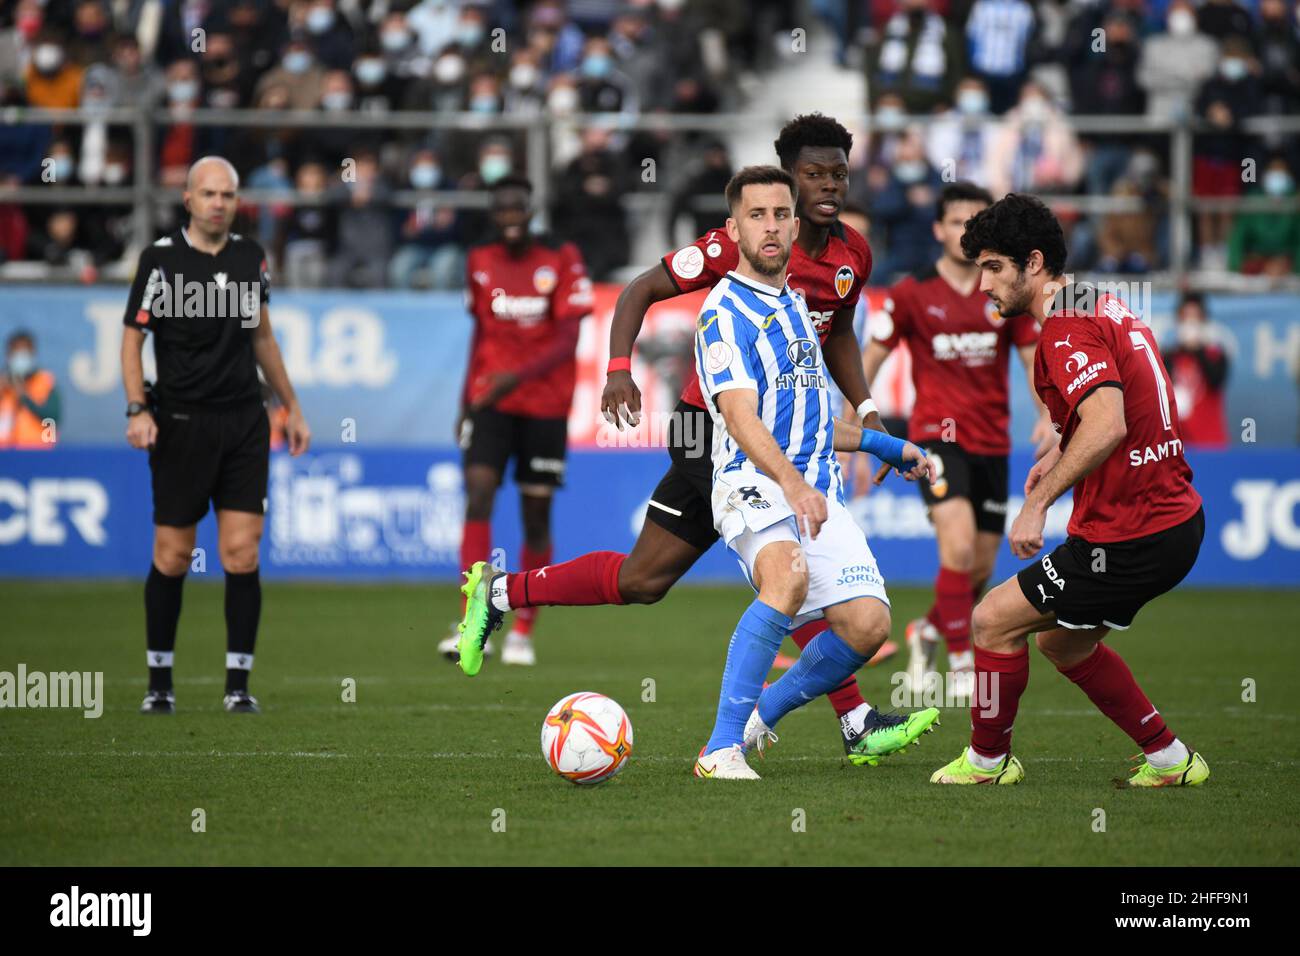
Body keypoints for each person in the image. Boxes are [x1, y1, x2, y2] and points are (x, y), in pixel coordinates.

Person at [456, 115, 915, 766]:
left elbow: (835, 331)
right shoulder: (738, 248)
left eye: (838, 172)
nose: (829, 185)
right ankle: (841, 721)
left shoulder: (852, 255)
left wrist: (867, 411)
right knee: (789, 564)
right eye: (813, 173)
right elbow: (640, 289)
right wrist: (619, 371)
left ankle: (500, 592)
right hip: (712, 430)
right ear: (784, 178)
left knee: (644, 579)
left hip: (775, 434)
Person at [931, 193, 1209, 787]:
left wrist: (1037, 503)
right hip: (1172, 521)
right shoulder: (1100, 302)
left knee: (990, 621)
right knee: (1064, 645)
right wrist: (1058, 451)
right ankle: (1170, 760)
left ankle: (986, 764)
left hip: (1132, 530)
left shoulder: (1062, 328)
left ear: (1034, 263)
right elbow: (1117, 407)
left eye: (993, 267)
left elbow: (1107, 423)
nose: (982, 284)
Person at [689, 166, 939, 779]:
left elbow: (812, 419)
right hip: (751, 481)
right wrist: (794, 485)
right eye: (756, 216)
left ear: (795, 224)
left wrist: (882, 444)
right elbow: (743, 418)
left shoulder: (799, 306)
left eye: (780, 215)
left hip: (814, 485)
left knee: (867, 625)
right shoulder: (722, 313)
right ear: (733, 228)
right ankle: (719, 749)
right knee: (787, 578)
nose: (770, 227)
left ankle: (757, 717)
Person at [122, 156, 311, 716]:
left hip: (244, 421)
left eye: (227, 195)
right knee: (174, 554)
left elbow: (263, 340)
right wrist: (138, 407)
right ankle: (160, 682)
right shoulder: (159, 260)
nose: (218, 203)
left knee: (241, 553)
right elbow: (132, 340)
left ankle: (237, 685)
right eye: (208, 194)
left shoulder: (252, 257)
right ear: (187, 199)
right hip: (179, 421)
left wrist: (292, 406)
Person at [863, 183, 1052, 699]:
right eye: (955, 221)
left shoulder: (1001, 292)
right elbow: (871, 356)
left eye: (975, 221)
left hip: (993, 441)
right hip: (935, 438)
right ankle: (964, 664)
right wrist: (860, 421)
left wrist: (1045, 413)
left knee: (982, 566)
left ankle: (926, 628)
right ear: (938, 229)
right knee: (959, 546)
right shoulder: (911, 292)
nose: (964, 231)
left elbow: (1031, 357)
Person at [437, 175, 593, 667]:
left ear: (530, 210)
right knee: (479, 492)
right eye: (500, 209)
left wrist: (513, 377)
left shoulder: (561, 256)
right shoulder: (479, 260)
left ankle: (524, 624)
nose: (509, 218)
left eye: (517, 209)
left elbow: (568, 340)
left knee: (535, 516)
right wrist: (469, 399)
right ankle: (473, 618)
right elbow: (481, 335)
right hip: (490, 404)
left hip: (545, 407)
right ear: (492, 213)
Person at [1164, 294, 1230, 447]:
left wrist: (1198, 349)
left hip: (1210, 445)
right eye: (1185, 317)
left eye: (1195, 318)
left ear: (1204, 321)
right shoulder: (1167, 357)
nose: (1190, 323)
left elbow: (1216, 381)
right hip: (1177, 447)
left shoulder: (1216, 355)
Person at [0, 330, 60, 449]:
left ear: (33, 353)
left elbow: (53, 418)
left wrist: (24, 397)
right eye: (16, 351)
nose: (20, 357)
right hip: (4, 456)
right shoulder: (3, 383)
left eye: (25, 352)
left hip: (38, 453)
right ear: (8, 354)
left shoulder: (45, 382)